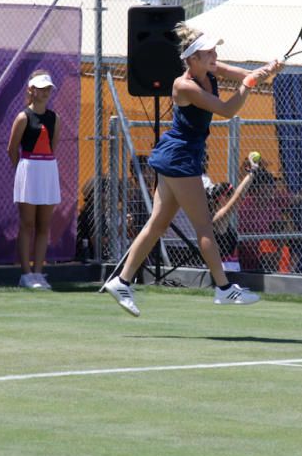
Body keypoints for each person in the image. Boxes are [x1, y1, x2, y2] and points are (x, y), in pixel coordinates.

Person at [102, 24, 282, 316]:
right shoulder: (183, 85)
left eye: (214, 50)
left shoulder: (211, 68)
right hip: (179, 158)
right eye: (208, 51)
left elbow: (248, 76)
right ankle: (224, 289)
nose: (214, 55)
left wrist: (270, 68)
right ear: (192, 58)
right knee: (204, 227)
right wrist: (249, 84)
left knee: (158, 224)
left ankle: (121, 281)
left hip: (182, 157)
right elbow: (226, 110)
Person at [7, 70, 61, 290]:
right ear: (31, 90)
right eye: (41, 88)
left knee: (43, 225)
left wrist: (42, 164)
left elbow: (53, 145)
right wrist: (23, 170)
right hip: (28, 169)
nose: (46, 91)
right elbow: (12, 149)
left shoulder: (54, 117)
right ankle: (26, 275)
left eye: (48, 88)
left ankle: (39, 273)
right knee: (27, 224)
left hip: (48, 169)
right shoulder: (22, 117)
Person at [238, 166, 302, 272]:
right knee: (267, 246)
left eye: (272, 186)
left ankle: (288, 272)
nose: (272, 189)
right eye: (268, 186)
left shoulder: (276, 199)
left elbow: (301, 196)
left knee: (297, 239)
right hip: (251, 252)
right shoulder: (244, 207)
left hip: (272, 245)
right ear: (257, 189)